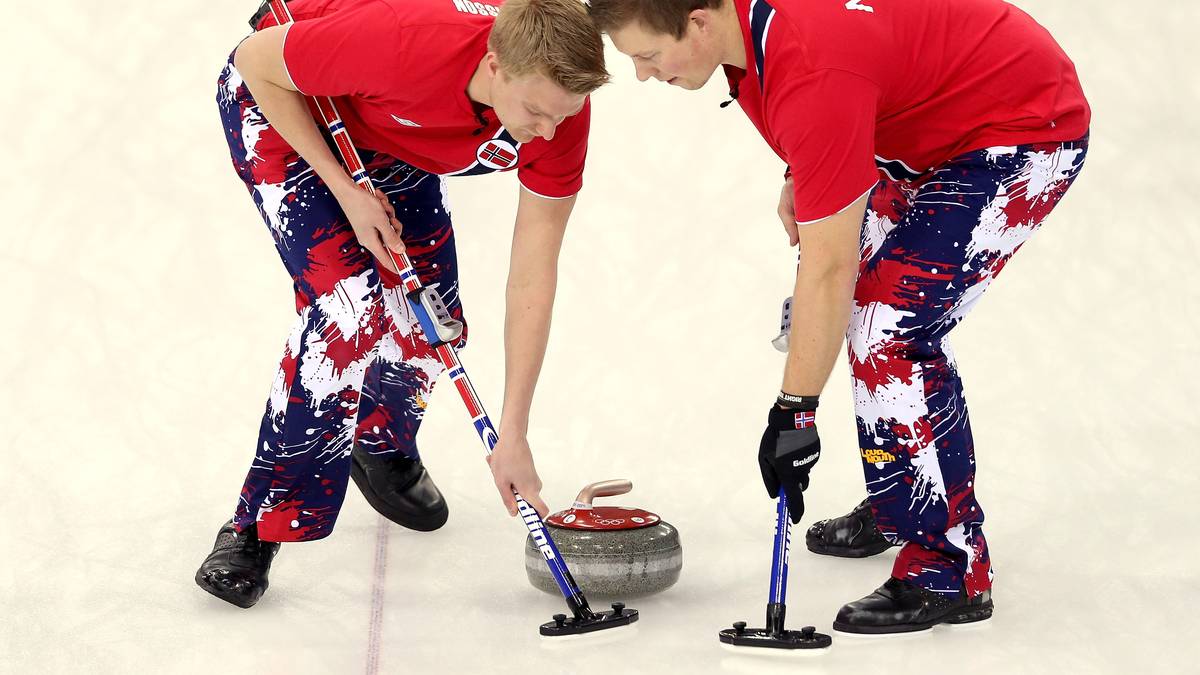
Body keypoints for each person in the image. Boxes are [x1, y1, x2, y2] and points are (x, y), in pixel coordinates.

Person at [588, 0, 1089, 633]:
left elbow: (828, 269)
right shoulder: (750, 38)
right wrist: (804, 167)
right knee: (856, 311)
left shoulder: (811, 69)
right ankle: (900, 498)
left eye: (646, 55)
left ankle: (949, 568)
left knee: (887, 330)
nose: (641, 74)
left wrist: (794, 414)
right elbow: (844, 84)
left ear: (698, 22)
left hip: (1019, 126)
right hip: (923, 124)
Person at [196, 0, 608, 609]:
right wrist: (345, 190)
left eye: (562, 116)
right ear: (495, 65)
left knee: (433, 318)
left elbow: (532, 275)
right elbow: (257, 62)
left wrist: (513, 432)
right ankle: (257, 526)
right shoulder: (406, 43)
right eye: (536, 113)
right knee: (349, 312)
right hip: (287, 97)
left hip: (384, 126)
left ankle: (380, 442)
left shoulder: (559, 106)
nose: (548, 133)